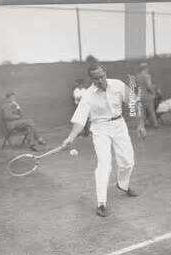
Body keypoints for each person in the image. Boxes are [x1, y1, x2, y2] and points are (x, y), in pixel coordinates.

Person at [62, 63, 146, 217]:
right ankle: (101, 204)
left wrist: (140, 124)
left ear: (105, 73)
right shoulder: (87, 95)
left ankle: (123, 185)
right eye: (96, 79)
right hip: (99, 129)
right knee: (104, 165)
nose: (101, 80)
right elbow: (80, 121)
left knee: (128, 162)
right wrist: (70, 138)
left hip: (119, 125)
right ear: (91, 79)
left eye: (102, 76)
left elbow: (135, 103)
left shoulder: (118, 85)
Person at [136, 62, 159, 128]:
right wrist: (153, 93)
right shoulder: (147, 76)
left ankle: (141, 125)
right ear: (145, 68)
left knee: (142, 112)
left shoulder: (137, 76)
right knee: (151, 111)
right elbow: (149, 86)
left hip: (140, 95)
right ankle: (155, 124)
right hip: (147, 96)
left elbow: (137, 86)